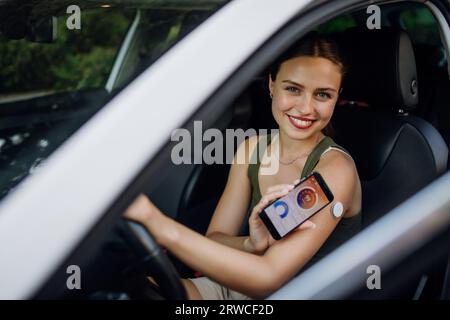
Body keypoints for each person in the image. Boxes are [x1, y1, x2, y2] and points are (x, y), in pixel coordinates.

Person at [123, 32, 362, 300]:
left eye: (322, 95)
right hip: (237, 287)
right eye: (293, 89)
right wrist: (249, 244)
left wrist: (157, 225)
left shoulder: (335, 169)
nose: (306, 108)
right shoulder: (252, 149)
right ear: (271, 84)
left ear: (337, 96)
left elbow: (268, 278)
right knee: (133, 289)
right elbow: (216, 238)